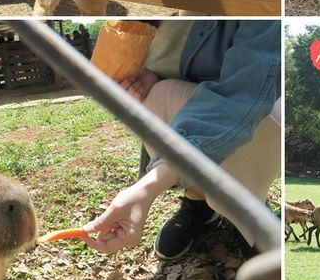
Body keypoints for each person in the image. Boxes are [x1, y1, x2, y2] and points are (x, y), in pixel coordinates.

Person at [83, 20, 280, 260]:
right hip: (182, 98)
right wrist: (146, 75)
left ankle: (251, 212)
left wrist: (148, 188)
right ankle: (198, 203)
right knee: (150, 98)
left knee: (163, 99)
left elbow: (243, 93)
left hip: (261, 108)